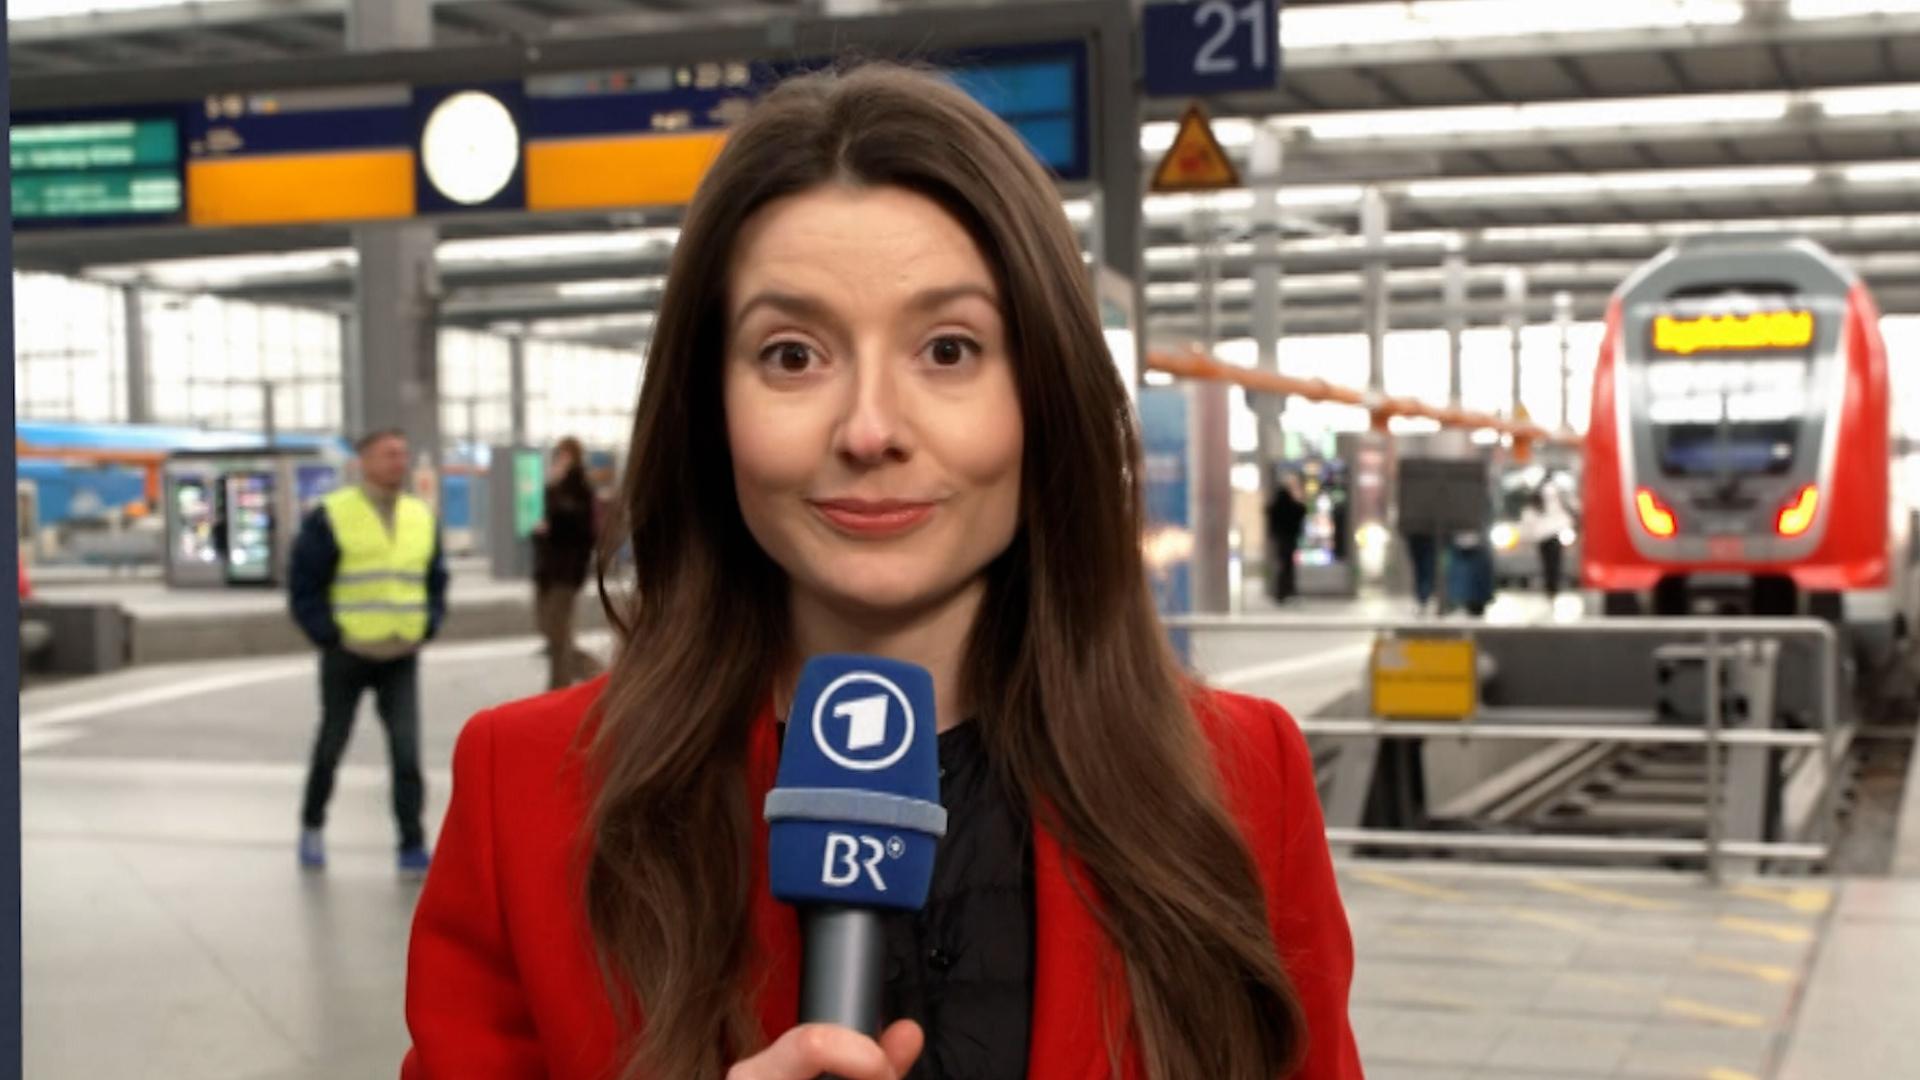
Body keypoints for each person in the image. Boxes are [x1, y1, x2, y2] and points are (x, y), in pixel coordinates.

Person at [401, 65, 1359, 1080]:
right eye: (791, 356)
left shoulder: (1241, 781)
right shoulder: (532, 795)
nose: (868, 430)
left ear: (1044, 393)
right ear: (708, 404)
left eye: (948, 349)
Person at [288, 429, 448, 874]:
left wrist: (429, 623)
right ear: (364, 462)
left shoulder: (420, 514)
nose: (400, 461)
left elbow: (435, 579)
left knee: (406, 752)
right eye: (389, 454)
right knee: (331, 744)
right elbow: (304, 585)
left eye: (403, 453)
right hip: (348, 652)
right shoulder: (333, 515)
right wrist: (328, 636)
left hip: (401, 651)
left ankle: (411, 844)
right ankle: (312, 824)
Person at [532, 436, 602, 690]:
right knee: (548, 629)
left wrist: (552, 523)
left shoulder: (580, 487)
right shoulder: (554, 487)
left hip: (566, 572)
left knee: (559, 633)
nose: (559, 460)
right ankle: (595, 673)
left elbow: (578, 527)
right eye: (558, 455)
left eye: (565, 455)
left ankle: (558, 686)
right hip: (547, 571)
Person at [1520, 482, 1575, 598]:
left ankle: (1552, 587)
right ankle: (1551, 587)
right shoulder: (1539, 505)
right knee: (1551, 563)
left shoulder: (1554, 504)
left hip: (1550, 537)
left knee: (1551, 563)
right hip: (1547, 537)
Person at [1264, 471, 1307, 604]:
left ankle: (1286, 591)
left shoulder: (1280, 499)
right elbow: (1299, 512)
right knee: (1286, 565)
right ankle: (1283, 592)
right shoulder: (1286, 499)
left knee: (1286, 565)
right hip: (1286, 537)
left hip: (1283, 536)